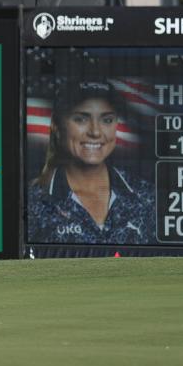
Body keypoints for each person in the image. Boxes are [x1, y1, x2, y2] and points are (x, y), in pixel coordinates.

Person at [27, 80, 154, 244]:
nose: (95, 132)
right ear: (57, 127)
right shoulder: (33, 202)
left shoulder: (146, 196)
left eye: (106, 120)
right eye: (81, 119)